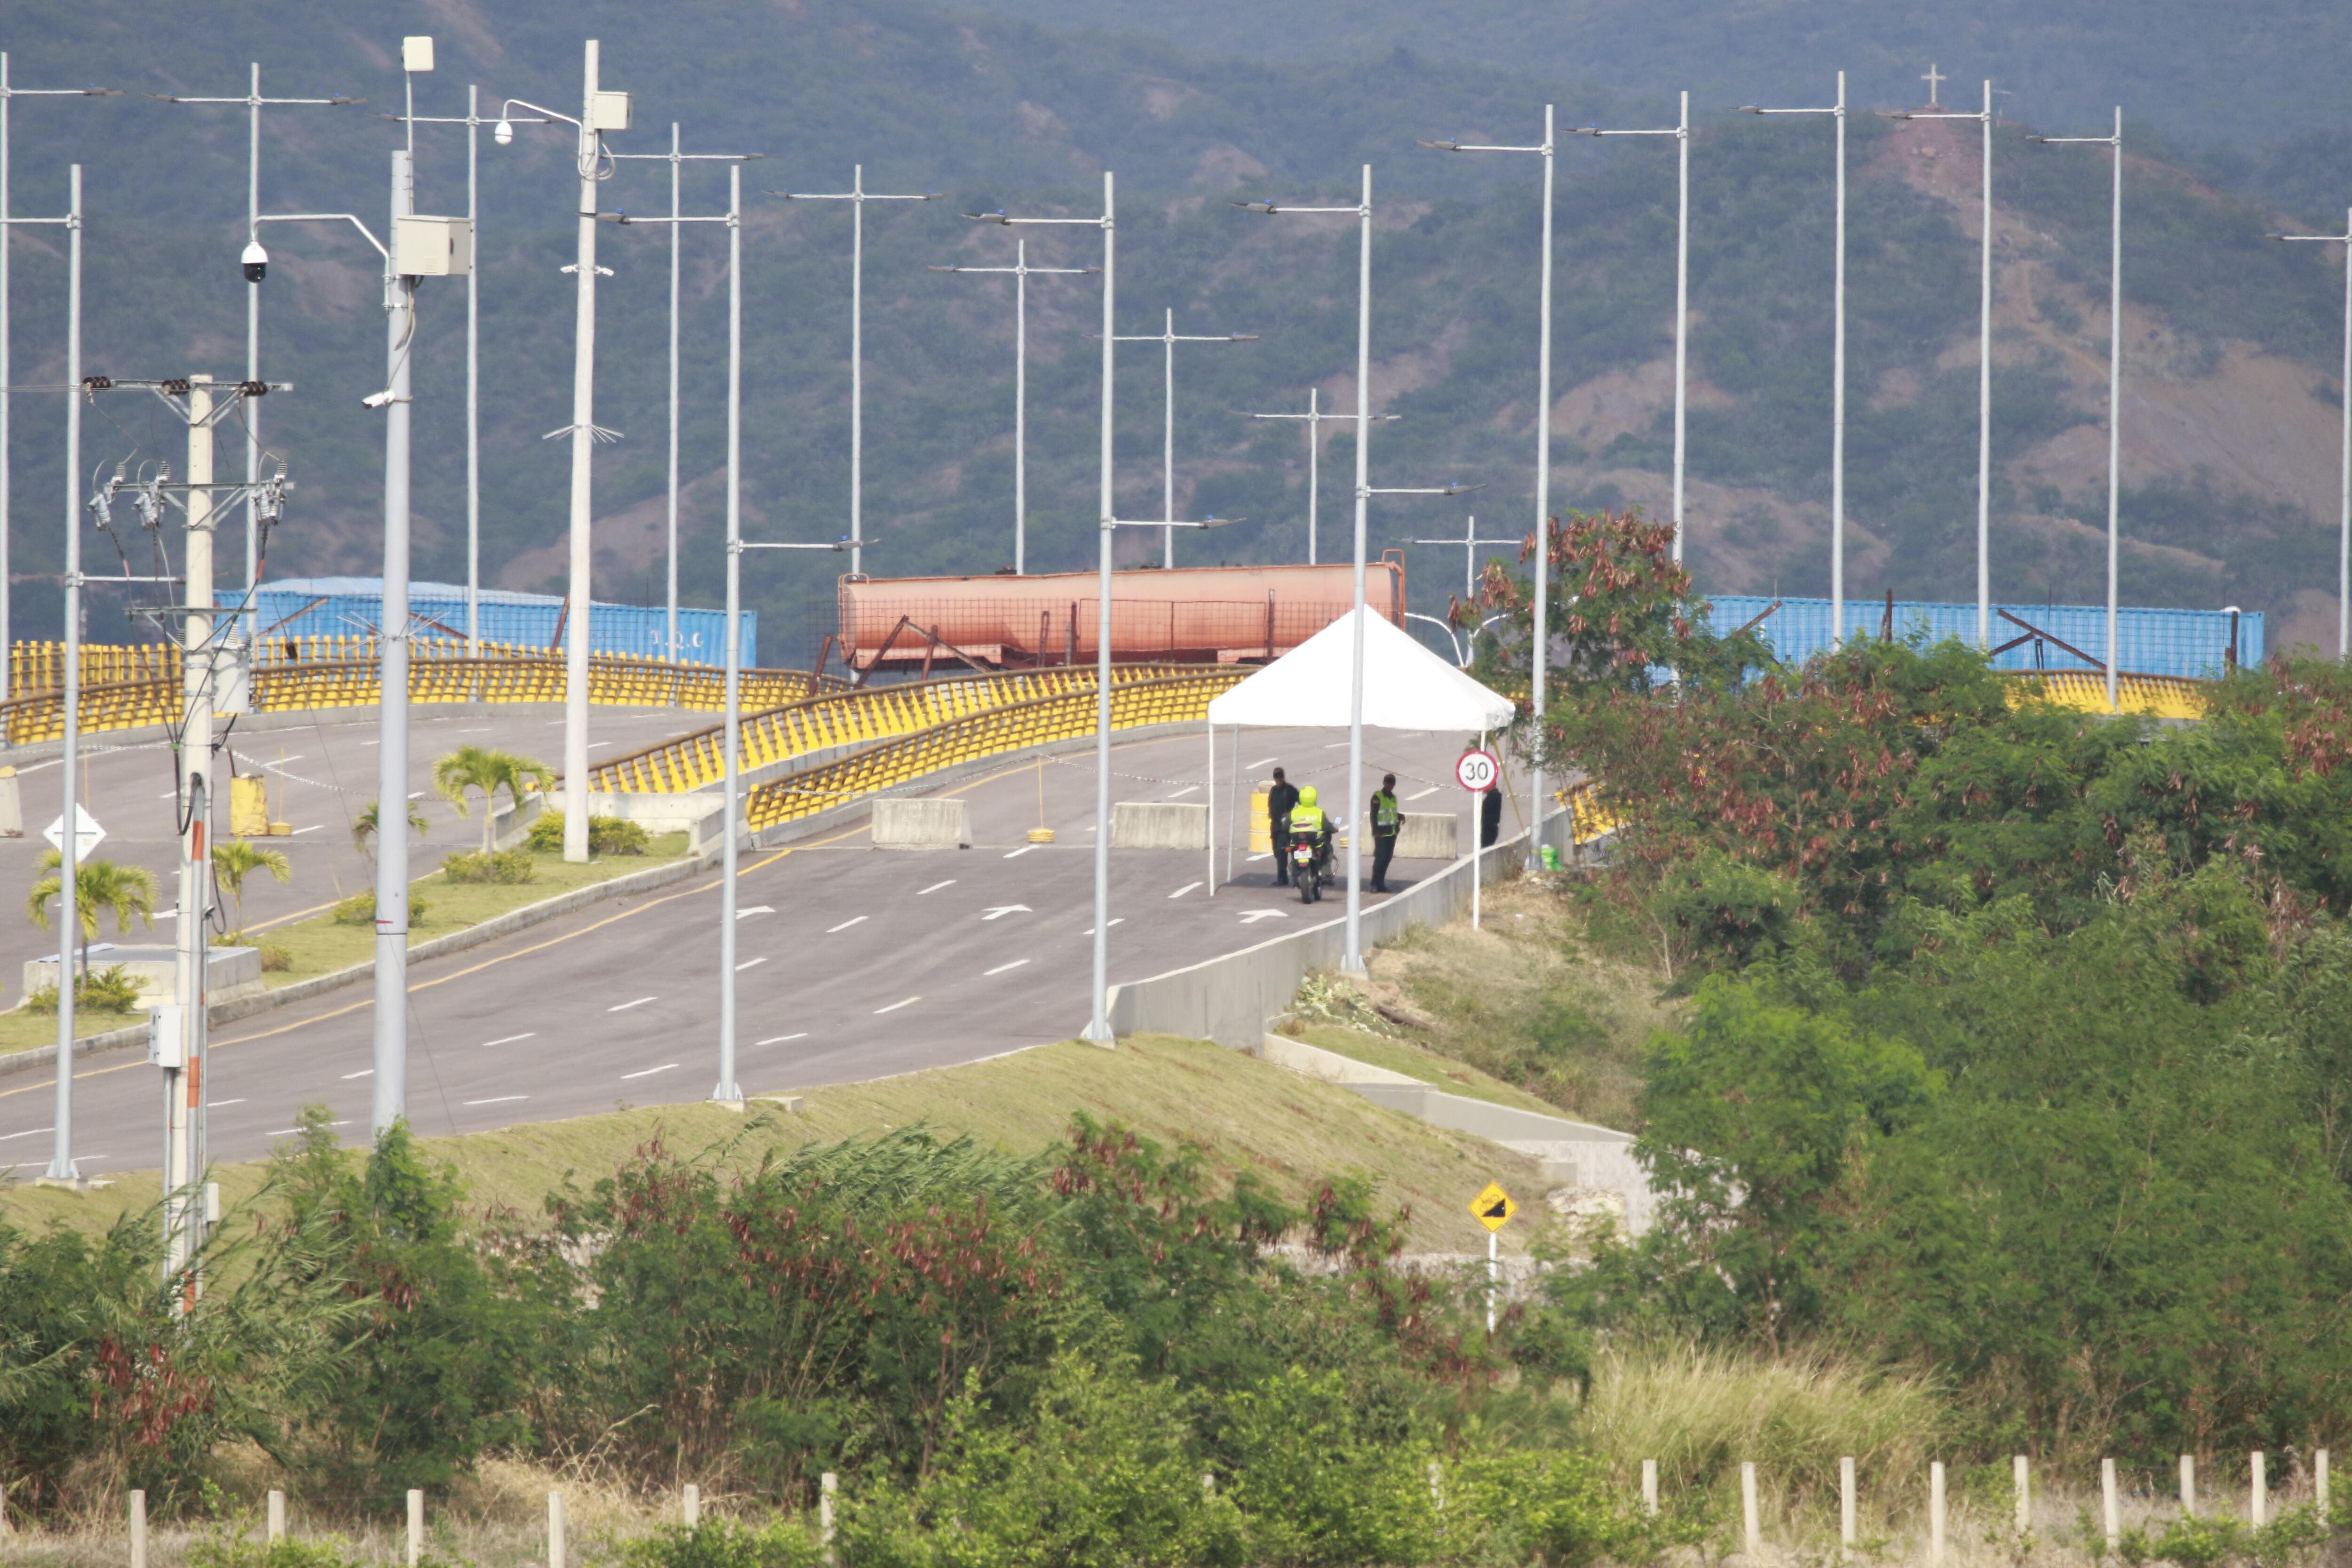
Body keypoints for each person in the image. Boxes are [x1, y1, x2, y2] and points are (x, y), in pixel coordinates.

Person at [1288, 784, 1330, 883]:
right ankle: (1326, 874)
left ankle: (1295, 877)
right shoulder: (1319, 812)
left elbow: (1285, 827)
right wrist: (1333, 829)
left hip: (1297, 840)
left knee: (1294, 851)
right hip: (1314, 841)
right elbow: (1328, 827)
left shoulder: (1294, 812)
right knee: (1328, 850)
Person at [1265, 766, 1299, 885]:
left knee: (1284, 853)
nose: (1279, 780)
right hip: (1275, 825)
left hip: (1286, 827)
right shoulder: (1274, 790)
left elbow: (1301, 802)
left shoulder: (1290, 790)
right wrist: (1270, 812)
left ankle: (1287, 878)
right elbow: (1271, 803)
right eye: (1276, 777)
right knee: (1277, 852)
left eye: (1280, 777)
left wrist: (1291, 813)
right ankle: (1283, 877)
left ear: (1284, 777)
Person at [1369, 773, 1401, 893]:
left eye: (1392, 783)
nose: (1390, 785)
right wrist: (1375, 831)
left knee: (1387, 859)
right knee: (1380, 859)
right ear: (1384, 783)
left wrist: (1400, 816)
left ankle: (1381, 884)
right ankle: (1374, 883)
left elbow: (1392, 813)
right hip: (1381, 834)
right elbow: (1374, 815)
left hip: (1392, 833)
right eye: (1388, 783)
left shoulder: (1394, 798)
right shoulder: (1377, 797)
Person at [1480, 780, 1502, 848]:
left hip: (1489, 828)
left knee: (1486, 847)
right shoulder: (1494, 795)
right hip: (1490, 827)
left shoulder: (1494, 796)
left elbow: (1484, 808)